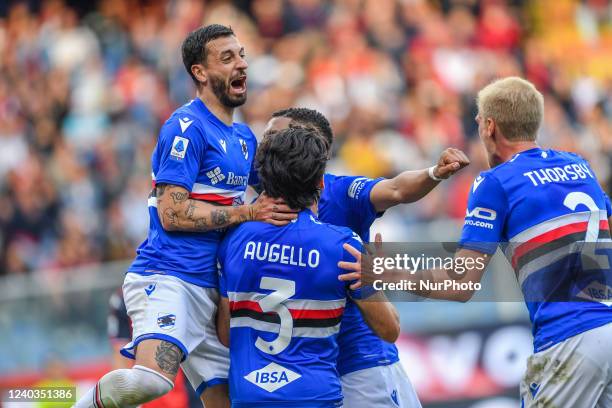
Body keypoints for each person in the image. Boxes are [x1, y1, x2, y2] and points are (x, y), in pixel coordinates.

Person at [340, 77, 612, 407]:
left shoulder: (495, 182)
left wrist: (387, 272)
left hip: (569, 339)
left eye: (479, 119)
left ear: (489, 126)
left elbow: (460, 282)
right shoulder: (578, 165)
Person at [73, 24, 296, 408]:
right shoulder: (185, 128)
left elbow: (278, 195)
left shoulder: (243, 138)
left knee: (234, 400)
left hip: (213, 290)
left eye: (241, 55)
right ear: (200, 72)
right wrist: (246, 212)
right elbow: (172, 212)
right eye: (227, 58)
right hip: (169, 277)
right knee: (150, 383)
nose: (241, 64)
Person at [264, 107, 469, 407]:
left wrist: (433, 173)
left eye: (272, 136)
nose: (264, 144)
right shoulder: (255, 205)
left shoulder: (340, 191)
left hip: (362, 364)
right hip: (305, 375)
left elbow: (397, 189)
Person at [216, 126, 400, 407]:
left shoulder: (234, 239)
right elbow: (389, 330)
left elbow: (227, 336)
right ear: (321, 183)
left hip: (249, 396)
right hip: (314, 397)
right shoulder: (343, 246)